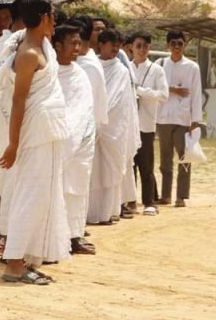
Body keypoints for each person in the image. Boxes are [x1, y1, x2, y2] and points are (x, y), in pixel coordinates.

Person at [0, 0, 70, 285]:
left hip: (48, 131)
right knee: (30, 195)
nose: (55, 20)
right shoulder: (27, 53)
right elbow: (18, 99)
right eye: (51, 15)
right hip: (33, 133)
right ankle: (13, 263)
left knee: (44, 197)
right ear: (41, 18)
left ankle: (28, 259)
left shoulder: (45, 46)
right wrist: (13, 143)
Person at [52, 25, 97, 255]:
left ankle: (75, 235)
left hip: (80, 144)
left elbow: (86, 108)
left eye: (79, 43)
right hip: (56, 143)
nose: (77, 49)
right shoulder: (47, 72)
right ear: (58, 45)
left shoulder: (80, 74)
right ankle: (56, 238)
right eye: (73, 43)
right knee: (55, 191)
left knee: (77, 190)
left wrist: (80, 135)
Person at [90, 29, 138, 225]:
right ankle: (92, 213)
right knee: (93, 172)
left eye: (118, 44)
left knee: (112, 171)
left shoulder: (121, 70)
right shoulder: (91, 65)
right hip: (92, 127)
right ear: (100, 44)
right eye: (112, 44)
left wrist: (102, 118)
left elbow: (120, 101)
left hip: (113, 130)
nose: (116, 48)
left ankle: (109, 212)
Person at [156, 30, 203, 208]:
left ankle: (181, 196)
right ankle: (166, 195)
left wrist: (195, 119)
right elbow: (155, 87)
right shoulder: (160, 65)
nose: (176, 47)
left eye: (180, 44)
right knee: (165, 159)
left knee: (185, 157)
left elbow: (197, 93)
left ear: (185, 45)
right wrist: (171, 89)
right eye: (173, 43)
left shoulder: (192, 67)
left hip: (184, 118)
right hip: (163, 117)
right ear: (168, 45)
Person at [128, 32, 169, 216]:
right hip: (128, 124)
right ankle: (129, 201)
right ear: (131, 48)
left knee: (146, 165)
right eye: (138, 46)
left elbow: (163, 95)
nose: (142, 50)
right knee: (129, 165)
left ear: (150, 48)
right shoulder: (126, 68)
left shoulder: (156, 70)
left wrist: (141, 91)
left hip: (146, 123)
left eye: (145, 46)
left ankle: (149, 202)